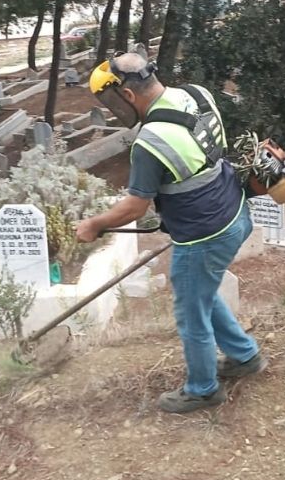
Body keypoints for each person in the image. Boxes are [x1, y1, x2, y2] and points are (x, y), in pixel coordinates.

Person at [74, 52, 266, 414]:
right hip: (236, 213)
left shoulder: (150, 141)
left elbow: (134, 207)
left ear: (127, 97)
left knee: (191, 311)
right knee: (201, 295)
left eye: (112, 102)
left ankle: (202, 389)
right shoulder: (196, 94)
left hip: (202, 237)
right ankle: (244, 356)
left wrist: (93, 225)